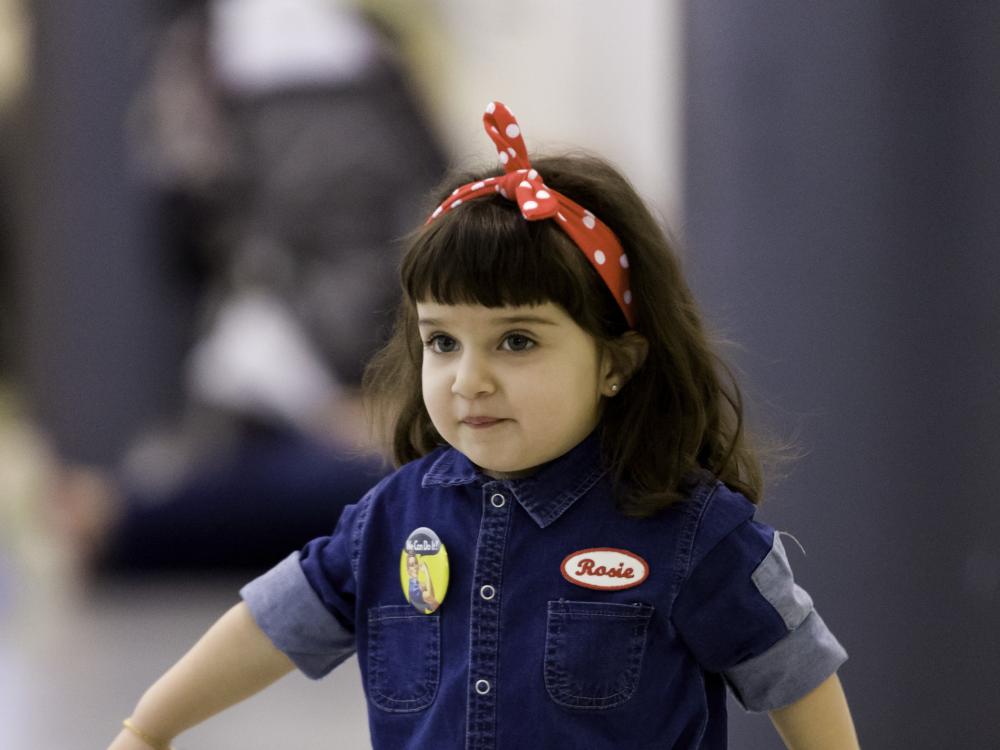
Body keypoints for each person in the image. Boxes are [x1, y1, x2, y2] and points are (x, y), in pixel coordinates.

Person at [107, 102, 859, 750]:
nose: (470, 379)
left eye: (518, 341)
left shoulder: (693, 533)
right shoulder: (391, 520)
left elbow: (795, 671)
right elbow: (271, 625)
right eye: (442, 342)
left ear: (616, 362)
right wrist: (151, 725)